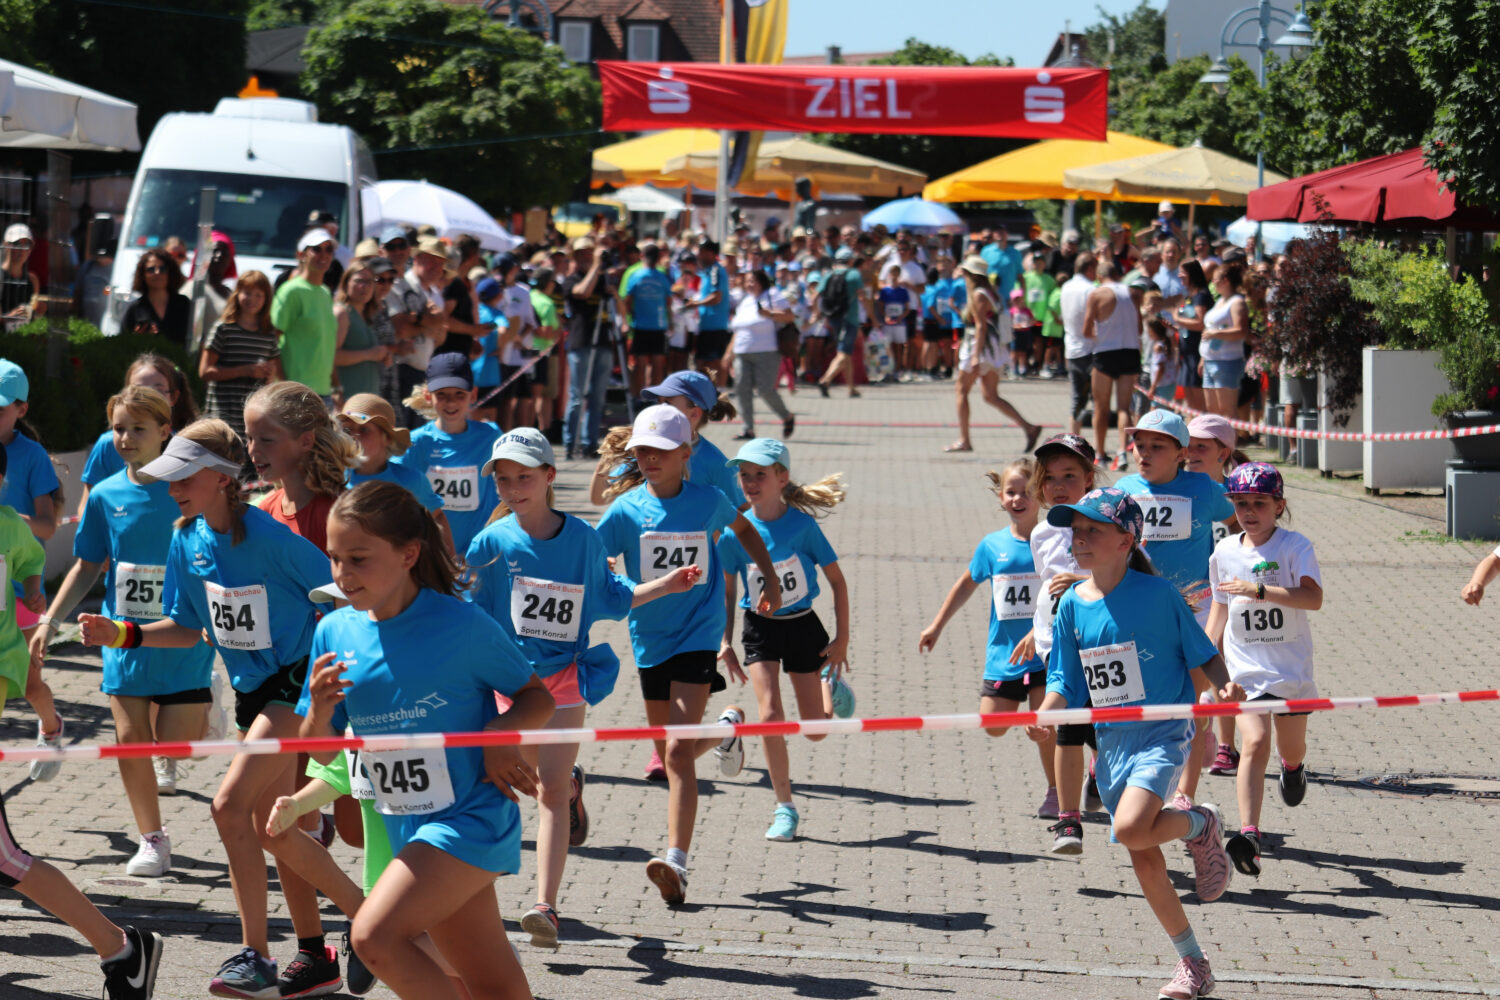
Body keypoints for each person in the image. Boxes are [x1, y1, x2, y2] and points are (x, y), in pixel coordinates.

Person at [77, 422, 364, 998]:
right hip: (254, 695)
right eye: (168, 476)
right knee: (275, 827)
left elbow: (346, 590)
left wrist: (347, 669)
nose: (173, 486)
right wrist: (122, 632)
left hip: (295, 687)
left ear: (222, 476)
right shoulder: (186, 539)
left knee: (228, 808)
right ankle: (331, 944)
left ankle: (255, 956)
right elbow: (186, 629)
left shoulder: (274, 539)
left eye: (184, 475)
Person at [298, 481, 551, 1000]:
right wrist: (320, 712)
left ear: (409, 554)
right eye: (334, 559)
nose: (343, 575)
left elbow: (535, 696)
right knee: (494, 986)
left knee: (372, 936)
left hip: (470, 819)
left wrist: (500, 735)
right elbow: (321, 753)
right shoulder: (334, 632)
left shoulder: (462, 625)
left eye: (359, 559)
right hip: (408, 826)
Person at [467, 428, 700, 947]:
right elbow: (469, 616)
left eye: (523, 477)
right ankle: (477, 883)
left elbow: (614, 599)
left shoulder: (583, 540)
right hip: (509, 685)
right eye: (503, 480)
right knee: (502, 782)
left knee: (547, 792)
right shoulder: (490, 543)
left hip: (565, 682)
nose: (512, 487)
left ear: (550, 477)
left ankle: (545, 905)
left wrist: (667, 584)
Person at [1029, 488, 1241, 1000]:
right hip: (1112, 746)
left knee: (1128, 828)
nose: (1079, 539)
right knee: (1143, 851)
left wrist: (1223, 683)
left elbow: (1203, 653)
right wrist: (1044, 716)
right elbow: (1064, 680)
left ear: (1127, 540)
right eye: (1075, 531)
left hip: (1163, 735)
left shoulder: (1158, 594)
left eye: (1092, 530)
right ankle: (1193, 964)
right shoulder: (1071, 607)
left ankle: (1200, 822)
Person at [594, 405, 782, 905]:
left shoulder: (708, 500)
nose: (649, 459)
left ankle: (676, 861)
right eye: (642, 452)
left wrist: (768, 578)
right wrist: (609, 584)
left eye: (660, 451)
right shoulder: (625, 510)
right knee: (669, 748)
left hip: (699, 632)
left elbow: (744, 532)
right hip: (649, 638)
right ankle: (726, 732)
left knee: (676, 754)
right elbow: (593, 560)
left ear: (686, 453)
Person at [30, 387, 216, 874]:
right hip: (122, 638)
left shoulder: (188, 489)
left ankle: (205, 709)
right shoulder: (107, 494)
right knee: (131, 740)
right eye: (118, 428)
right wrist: (51, 619)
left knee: (178, 741)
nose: (126, 437)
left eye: (138, 428)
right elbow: (88, 566)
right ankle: (152, 839)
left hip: (182, 635)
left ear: (164, 431)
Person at [717, 438, 852, 842]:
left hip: (803, 625)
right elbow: (727, 592)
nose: (750, 483)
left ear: (782, 478)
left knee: (814, 730)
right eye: (744, 475)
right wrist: (725, 641)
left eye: (760, 474)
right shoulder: (732, 532)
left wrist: (842, 639)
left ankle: (830, 685)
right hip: (759, 630)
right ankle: (784, 807)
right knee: (771, 715)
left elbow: (838, 583)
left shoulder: (802, 526)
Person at [1207, 463, 1322, 879]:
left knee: (1290, 749)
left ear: (1279, 505)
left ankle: (1293, 770)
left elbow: (1312, 599)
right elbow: (1219, 613)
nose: (1249, 511)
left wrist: (1259, 590)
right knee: (1254, 742)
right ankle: (1249, 835)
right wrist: (1206, 664)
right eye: (1240, 504)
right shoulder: (1223, 552)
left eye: (1259, 503)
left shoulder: (1295, 547)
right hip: (1247, 670)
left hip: (1289, 670)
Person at [919, 457, 1054, 807]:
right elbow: (967, 583)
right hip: (1004, 654)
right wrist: (937, 625)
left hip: (1044, 653)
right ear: (1000, 497)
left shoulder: (1054, 542)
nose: (1017, 499)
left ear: (1039, 495)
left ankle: (1056, 793)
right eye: (1010, 492)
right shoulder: (992, 546)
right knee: (992, 724)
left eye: (1025, 492)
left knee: (1044, 730)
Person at [1010, 434, 1102, 852]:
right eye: (1051, 478)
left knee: (1100, 730)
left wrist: (1083, 581)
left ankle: (1104, 777)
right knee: (1065, 728)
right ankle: (1069, 821)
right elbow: (1046, 588)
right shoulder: (1042, 534)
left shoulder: (1106, 522)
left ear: (1089, 478)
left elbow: (1124, 573)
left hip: (1100, 645)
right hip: (1054, 646)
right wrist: (1035, 629)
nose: (1059, 485)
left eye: (1071, 475)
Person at [394, 353, 501, 554]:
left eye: (459, 394)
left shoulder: (491, 437)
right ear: (428, 396)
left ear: (473, 394)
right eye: (442, 394)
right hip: (432, 554)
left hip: (481, 553)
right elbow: (389, 482)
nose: (451, 402)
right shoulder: (416, 442)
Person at [244, 381, 359, 556]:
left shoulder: (337, 514)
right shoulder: (266, 510)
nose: (253, 450)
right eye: (249, 438)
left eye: (266, 440)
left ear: (305, 441)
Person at [945, 255, 1041, 455]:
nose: (963, 276)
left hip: (980, 348)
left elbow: (980, 327)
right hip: (993, 349)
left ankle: (964, 440)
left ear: (971, 275)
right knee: (990, 396)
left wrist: (975, 356)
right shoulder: (991, 292)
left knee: (961, 391)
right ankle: (1029, 427)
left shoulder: (979, 295)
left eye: (965, 273)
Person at [339, 393, 453, 555]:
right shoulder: (335, 481)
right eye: (348, 430)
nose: (354, 436)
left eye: (364, 429)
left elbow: (437, 518)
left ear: (387, 438)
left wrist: (449, 564)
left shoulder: (411, 481)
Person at [201, 271, 281, 444]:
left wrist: (268, 374)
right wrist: (245, 371)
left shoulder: (268, 333)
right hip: (223, 413)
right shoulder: (223, 328)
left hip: (253, 417)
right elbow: (205, 371)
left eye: (258, 295)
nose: (252, 299)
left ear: (266, 299)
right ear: (237, 294)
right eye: (247, 293)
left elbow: (273, 373)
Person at [1082, 261, 1143, 470]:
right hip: (1130, 351)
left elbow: (1087, 329)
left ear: (1099, 276)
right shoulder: (1133, 293)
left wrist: (1098, 336)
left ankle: (1099, 452)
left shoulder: (1097, 294)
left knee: (1101, 407)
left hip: (1105, 352)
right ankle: (1122, 451)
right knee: (1124, 407)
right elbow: (1140, 327)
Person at [272, 228, 340, 404]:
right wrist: (285, 385)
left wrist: (336, 387)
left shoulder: (325, 292)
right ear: (301, 254)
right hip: (295, 393)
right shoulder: (290, 291)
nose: (323, 255)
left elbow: (326, 344)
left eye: (328, 249)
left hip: (323, 393)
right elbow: (271, 339)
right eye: (316, 249)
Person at [726, 269, 796, 441]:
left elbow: (789, 316)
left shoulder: (772, 294)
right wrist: (728, 354)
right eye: (747, 281)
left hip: (767, 352)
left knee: (765, 390)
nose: (750, 284)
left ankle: (786, 416)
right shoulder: (745, 301)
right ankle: (748, 428)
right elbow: (738, 330)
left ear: (762, 281)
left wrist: (769, 314)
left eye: (753, 280)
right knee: (742, 390)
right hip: (742, 352)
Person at [561, 238, 612, 460]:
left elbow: (618, 305)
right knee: (577, 396)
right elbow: (582, 292)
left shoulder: (601, 279)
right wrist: (595, 267)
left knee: (598, 397)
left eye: (588, 253)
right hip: (581, 343)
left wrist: (613, 289)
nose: (585, 257)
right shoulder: (570, 280)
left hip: (603, 342)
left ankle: (590, 442)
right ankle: (570, 442)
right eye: (580, 253)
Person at [334, 261, 392, 402]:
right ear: (346, 283)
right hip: (347, 400)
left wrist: (382, 355)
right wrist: (370, 354)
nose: (364, 287)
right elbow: (332, 357)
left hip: (367, 401)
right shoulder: (342, 313)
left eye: (370, 282)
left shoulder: (366, 316)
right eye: (359, 281)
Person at [1200, 263, 1250, 419]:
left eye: (1215, 279)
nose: (1213, 282)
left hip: (1227, 361)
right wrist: (1203, 358)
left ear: (1225, 280)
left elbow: (1241, 331)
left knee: (1227, 410)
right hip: (1210, 360)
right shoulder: (1220, 301)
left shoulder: (1237, 302)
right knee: (1213, 411)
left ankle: (1230, 443)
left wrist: (1216, 333)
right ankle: (1216, 443)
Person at [815, 248, 865, 399]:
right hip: (850, 319)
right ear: (850, 261)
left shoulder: (829, 274)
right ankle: (825, 380)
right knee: (844, 353)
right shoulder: (854, 274)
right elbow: (862, 297)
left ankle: (851, 388)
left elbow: (815, 296)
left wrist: (817, 314)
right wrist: (872, 318)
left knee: (844, 353)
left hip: (833, 318)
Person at [625, 244, 672, 400]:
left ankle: (638, 397)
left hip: (640, 325)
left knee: (641, 363)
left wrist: (630, 315)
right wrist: (669, 320)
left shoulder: (636, 275)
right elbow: (668, 302)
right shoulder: (662, 277)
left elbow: (627, 299)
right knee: (657, 363)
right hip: (658, 325)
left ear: (642, 256)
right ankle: (656, 398)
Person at [1060, 254, 1097, 437]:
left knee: (1077, 398)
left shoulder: (1066, 287)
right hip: (1090, 348)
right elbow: (1092, 321)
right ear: (1090, 268)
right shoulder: (1090, 289)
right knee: (1097, 400)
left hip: (1072, 347)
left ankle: (1073, 438)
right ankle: (1099, 446)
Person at [121, 248, 191, 345]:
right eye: (151, 269)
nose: (157, 273)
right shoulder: (135, 309)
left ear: (170, 273)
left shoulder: (184, 304)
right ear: (143, 275)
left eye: (162, 269)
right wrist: (136, 339)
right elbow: (123, 345)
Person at [1171, 260, 1214, 415]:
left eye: (1183, 272)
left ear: (1192, 274)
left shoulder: (1201, 296)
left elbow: (1201, 323)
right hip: (1187, 354)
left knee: (1199, 405)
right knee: (1191, 404)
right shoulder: (1191, 296)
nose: (1179, 275)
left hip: (1197, 354)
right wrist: (1176, 326)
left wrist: (1177, 318)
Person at [691, 241, 733, 385]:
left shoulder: (716, 270)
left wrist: (696, 304)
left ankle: (720, 395)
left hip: (715, 325)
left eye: (701, 252)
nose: (699, 255)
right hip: (707, 325)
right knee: (702, 362)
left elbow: (717, 297)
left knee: (714, 362)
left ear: (710, 253)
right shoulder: (708, 272)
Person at [1, 222, 42, 331]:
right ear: (6, 245)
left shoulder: (33, 280)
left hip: (24, 344)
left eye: (27, 245)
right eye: (18, 244)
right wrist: (9, 317)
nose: (23, 250)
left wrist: (38, 313)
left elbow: (34, 314)